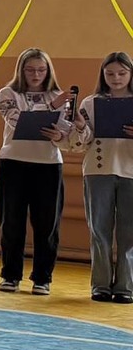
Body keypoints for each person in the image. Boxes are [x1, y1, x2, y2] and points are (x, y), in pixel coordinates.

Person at [0, 48, 74, 294]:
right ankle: (10, 275)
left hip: (48, 164)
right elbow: (17, 121)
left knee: (47, 224)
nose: (36, 75)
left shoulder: (59, 96)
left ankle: (42, 277)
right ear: (21, 70)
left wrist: (60, 135)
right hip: (14, 162)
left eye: (41, 70)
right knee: (12, 222)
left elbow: (67, 134)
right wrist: (52, 106)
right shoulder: (8, 93)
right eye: (30, 70)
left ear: (48, 71)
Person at [75, 52, 133, 303]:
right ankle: (100, 284)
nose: (116, 78)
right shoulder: (91, 103)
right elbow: (80, 142)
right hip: (98, 170)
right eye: (110, 74)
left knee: (129, 233)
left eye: (121, 73)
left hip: (130, 171)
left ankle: (125, 286)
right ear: (102, 75)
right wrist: (80, 127)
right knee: (99, 230)